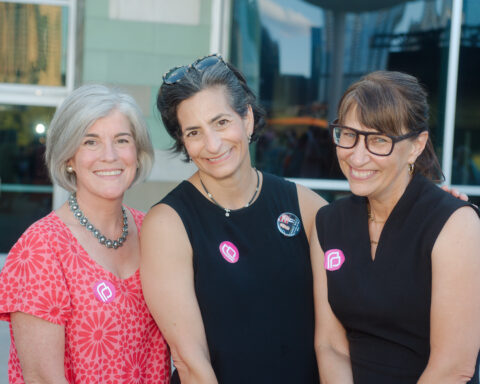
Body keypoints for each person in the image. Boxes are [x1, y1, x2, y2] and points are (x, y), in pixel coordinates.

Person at [140, 54, 326, 383]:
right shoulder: (169, 224)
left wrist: (439, 210)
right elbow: (189, 359)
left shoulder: (305, 207)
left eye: (221, 122)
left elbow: (335, 336)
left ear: (248, 120)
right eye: (194, 132)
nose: (212, 145)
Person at [312, 71, 480, 383]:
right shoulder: (329, 222)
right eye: (348, 134)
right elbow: (330, 345)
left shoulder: (455, 225)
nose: (357, 156)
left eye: (379, 140)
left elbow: (455, 367)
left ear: (416, 146)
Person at [0, 84, 171, 383]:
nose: (109, 155)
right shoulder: (41, 248)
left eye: (121, 140)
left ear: (137, 151)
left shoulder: (154, 231)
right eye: (90, 142)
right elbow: (43, 379)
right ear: (68, 157)